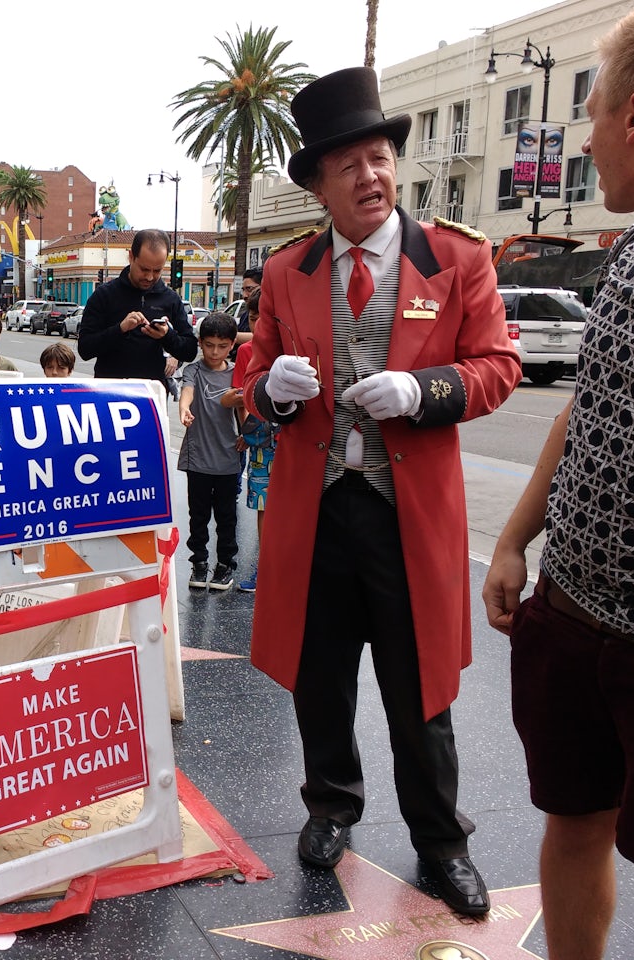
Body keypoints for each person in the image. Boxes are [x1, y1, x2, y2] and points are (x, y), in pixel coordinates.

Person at [240, 66, 520, 916]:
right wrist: (270, 388)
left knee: (419, 685)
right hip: (317, 508)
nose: (370, 175)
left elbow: (500, 367)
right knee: (320, 676)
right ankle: (330, 807)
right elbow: (251, 374)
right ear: (318, 185)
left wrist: (425, 392)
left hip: (408, 517)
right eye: (349, 164)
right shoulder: (288, 272)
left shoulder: (458, 258)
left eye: (379, 157)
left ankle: (441, 840)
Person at [481, 4, 634, 955]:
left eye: (593, 114)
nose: (586, 141)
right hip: (571, 614)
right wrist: (517, 538)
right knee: (572, 823)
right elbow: (580, 413)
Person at [77, 228, 197, 385]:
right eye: (144, 269)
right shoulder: (104, 295)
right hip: (109, 392)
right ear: (131, 257)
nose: (149, 277)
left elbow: (190, 351)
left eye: (157, 271)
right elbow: (85, 349)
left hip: (150, 395)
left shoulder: (171, 299)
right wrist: (120, 329)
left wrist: (167, 336)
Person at [177, 313, 240, 592]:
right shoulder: (194, 370)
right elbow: (187, 392)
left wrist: (247, 434)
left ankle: (225, 565)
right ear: (200, 343)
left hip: (228, 457)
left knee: (227, 516)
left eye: (222, 346)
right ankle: (199, 562)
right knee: (198, 515)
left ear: (232, 344)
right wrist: (183, 409)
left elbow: (245, 406)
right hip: (198, 457)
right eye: (209, 345)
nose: (215, 352)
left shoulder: (238, 371)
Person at [225, 288, 275, 593]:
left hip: (296, 441)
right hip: (262, 443)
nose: (257, 325)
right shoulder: (247, 352)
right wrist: (249, 432)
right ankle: (265, 568)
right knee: (263, 505)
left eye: (263, 318)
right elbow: (240, 398)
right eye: (253, 318)